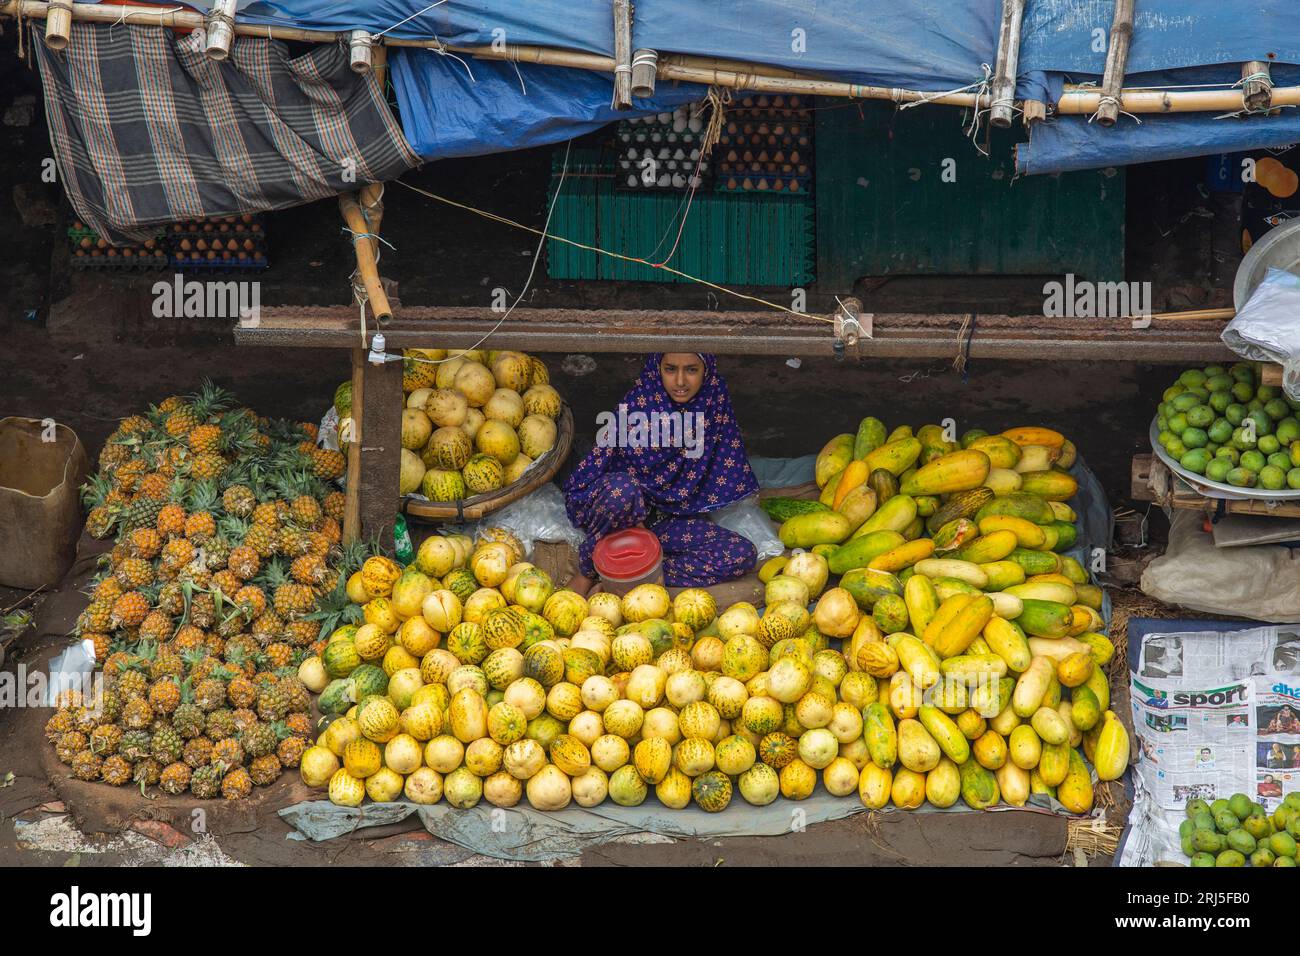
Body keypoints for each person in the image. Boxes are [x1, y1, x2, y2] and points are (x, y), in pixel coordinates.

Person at [564, 353, 758, 594]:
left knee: (742, 553)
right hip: (617, 518)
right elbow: (609, 470)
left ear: (706, 371)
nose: (679, 381)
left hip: (668, 518)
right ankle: (588, 571)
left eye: (691, 370)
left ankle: (632, 576)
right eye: (670, 369)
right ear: (658, 368)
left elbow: (723, 462)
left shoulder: (712, 400)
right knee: (622, 490)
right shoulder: (641, 401)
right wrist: (636, 519)